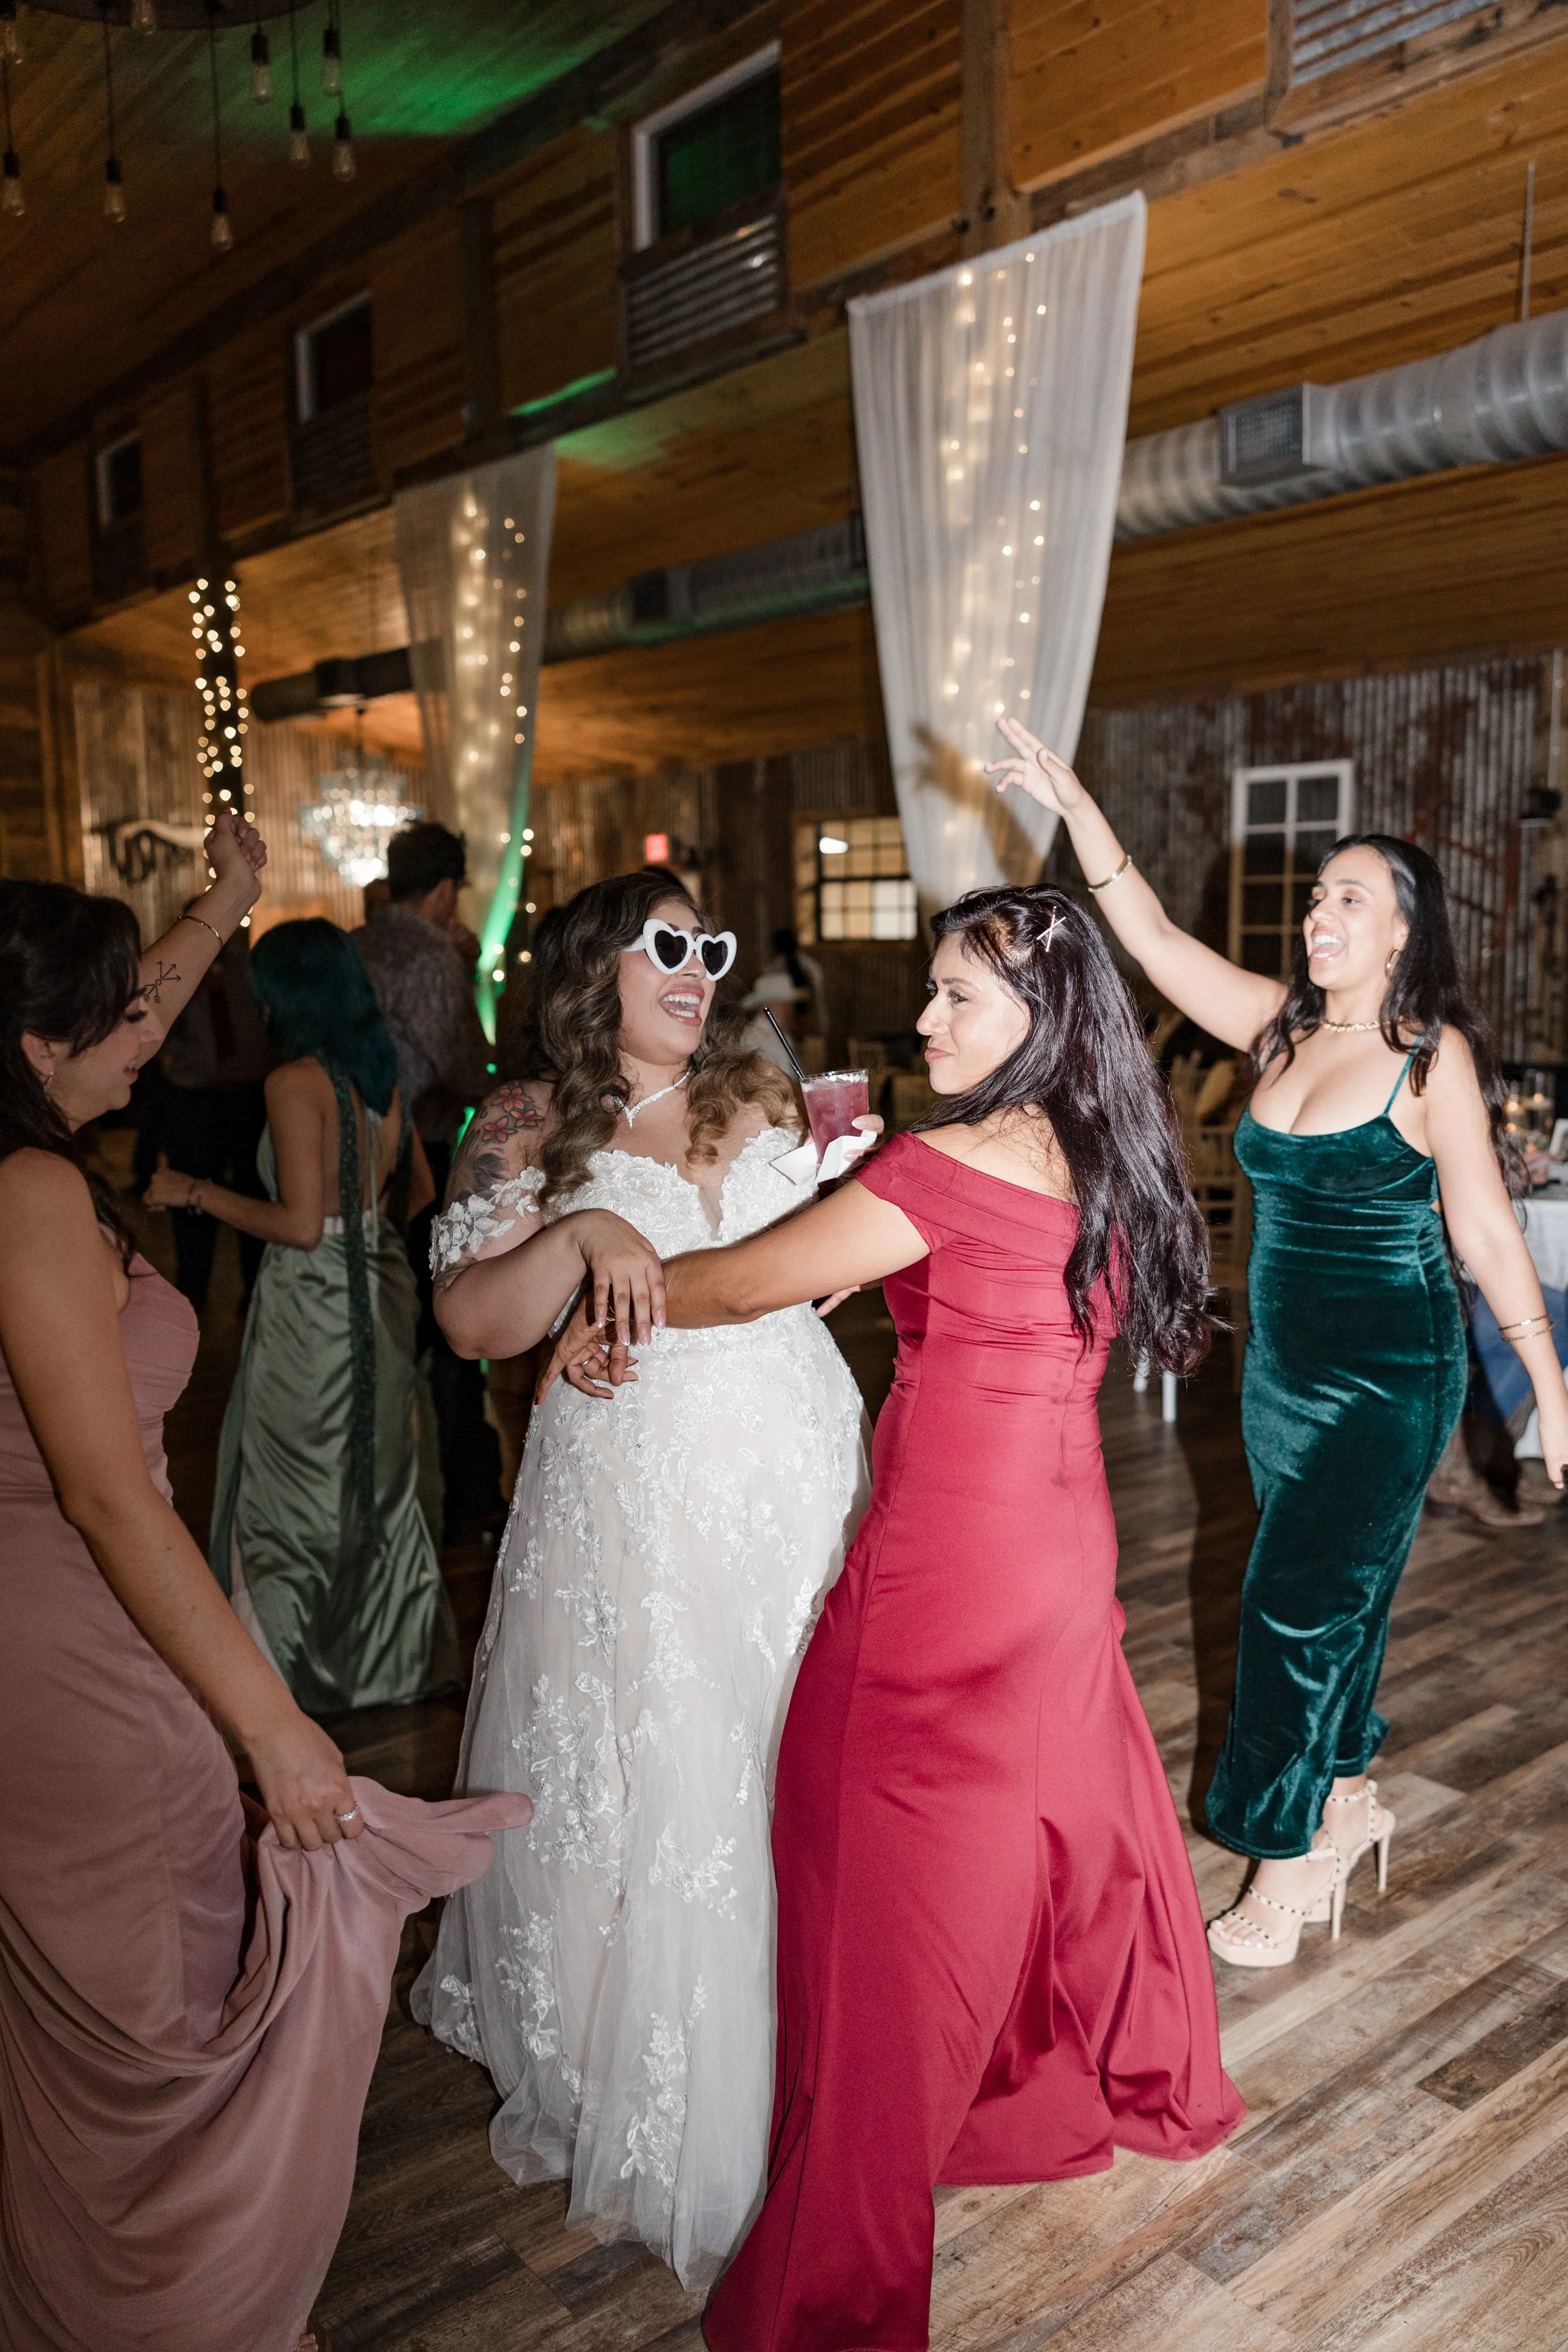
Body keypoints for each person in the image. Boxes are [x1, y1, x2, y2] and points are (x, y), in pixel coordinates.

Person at [548, 882, 1241, 2347]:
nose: (923, 1018)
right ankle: (1035, 2094)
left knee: (865, 1871)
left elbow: (741, 1282)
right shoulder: (1105, 1144)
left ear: (1040, 1016)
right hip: (1061, 1547)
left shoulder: (941, 1167)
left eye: (955, 996)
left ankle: (833, 2287)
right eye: (929, 990)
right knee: (1027, 1833)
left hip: (946, 1568)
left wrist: (615, 1277)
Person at [0, 840, 526, 2352]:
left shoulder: (26, 1137)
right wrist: (280, 1729)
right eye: (122, 1018)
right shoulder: (32, 1184)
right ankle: (177, 2317)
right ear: (40, 1046)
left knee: (71, 2023)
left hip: (51, 1641)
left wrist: (223, 902)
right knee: (150, 2027)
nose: (155, 1034)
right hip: (85, 1661)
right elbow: (106, 1494)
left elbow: (132, 1009)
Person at [987, 717, 1568, 1969]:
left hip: (1387, 1376)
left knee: (1292, 1608)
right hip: (1278, 1374)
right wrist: (1078, 802)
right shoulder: (1276, 1029)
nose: (1318, 913)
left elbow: (1481, 1223)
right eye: (1314, 895)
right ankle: (1348, 1795)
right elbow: (1144, 938)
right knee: (1335, 1597)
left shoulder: (1431, 1059)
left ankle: (1282, 1848)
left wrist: (1552, 1390)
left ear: (1403, 930)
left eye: (1347, 898)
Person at [411, 867, 872, 2291]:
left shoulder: (765, 1086)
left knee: (806, 1752)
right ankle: (683, 2084)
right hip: (633, 1498)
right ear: (594, 963)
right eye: (669, 942)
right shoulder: (520, 1120)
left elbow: (823, 1273)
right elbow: (471, 1321)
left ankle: (839, 2047)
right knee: (666, 1766)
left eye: (711, 944)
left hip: (793, 1462)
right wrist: (580, 1238)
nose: (701, 967)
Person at [147, 918, 459, 1717]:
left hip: (313, 1298)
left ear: (284, 996)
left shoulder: (294, 1083)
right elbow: (421, 1195)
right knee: (376, 1480)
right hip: (380, 1285)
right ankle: (388, 1661)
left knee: (291, 1486)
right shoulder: (380, 1076)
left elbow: (299, 1224)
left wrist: (192, 1192)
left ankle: (288, 1668)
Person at [355, 819, 498, 1527]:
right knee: (449, 1336)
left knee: (378, 1333)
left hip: (347, 1162)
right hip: (419, 1161)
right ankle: (468, 1500)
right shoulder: (433, 958)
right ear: (444, 889)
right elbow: (468, 1069)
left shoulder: (355, 946)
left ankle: (366, 1496)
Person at [156, 910, 270, 1308]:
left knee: (253, 1189)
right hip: (195, 1093)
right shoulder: (175, 973)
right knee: (189, 1198)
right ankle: (192, 1289)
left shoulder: (251, 969)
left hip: (247, 1092)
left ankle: (255, 1289)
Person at [739, 968, 810, 1074]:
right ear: (773, 1005)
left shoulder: (780, 1033)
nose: (791, 1010)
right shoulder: (756, 1038)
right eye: (787, 1005)